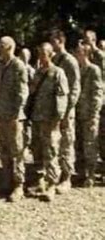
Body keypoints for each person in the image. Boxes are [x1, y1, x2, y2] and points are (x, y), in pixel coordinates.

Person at [27, 43, 69, 202]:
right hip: (37, 118)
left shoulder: (58, 72)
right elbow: (31, 94)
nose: (41, 56)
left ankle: (52, 184)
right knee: (37, 151)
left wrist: (57, 119)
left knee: (51, 152)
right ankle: (40, 181)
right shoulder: (38, 72)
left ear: (51, 54)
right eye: (39, 53)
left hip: (49, 120)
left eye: (44, 53)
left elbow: (62, 97)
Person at [0, 36, 29, 202]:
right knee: (5, 150)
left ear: (9, 47)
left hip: (13, 117)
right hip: (2, 114)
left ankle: (18, 185)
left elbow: (22, 93)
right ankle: (7, 181)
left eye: (1, 45)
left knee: (17, 151)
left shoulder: (18, 66)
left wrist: (16, 114)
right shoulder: (1, 66)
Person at [49, 29, 81, 194]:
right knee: (55, 143)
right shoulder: (53, 59)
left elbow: (75, 88)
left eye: (53, 40)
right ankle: (54, 175)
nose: (51, 43)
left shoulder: (69, 61)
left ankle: (67, 178)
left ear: (61, 41)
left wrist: (66, 110)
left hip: (66, 111)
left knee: (67, 143)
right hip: (53, 110)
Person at [75, 43, 103, 187]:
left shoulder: (94, 70)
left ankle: (91, 174)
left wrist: (94, 113)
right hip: (78, 113)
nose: (76, 54)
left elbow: (98, 93)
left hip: (89, 114)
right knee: (79, 144)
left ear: (85, 53)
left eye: (79, 51)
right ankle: (81, 172)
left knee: (90, 144)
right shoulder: (77, 70)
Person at [82, 29, 105, 179]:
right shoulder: (87, 54)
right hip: (90, 100)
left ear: (94, 40)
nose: (85, 41)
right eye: (84, 39)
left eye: (88, 39)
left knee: (100, 135)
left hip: (101, 101)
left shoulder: (100, 56)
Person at [19, 48, 35, 154]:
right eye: (22, 55)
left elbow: (34, 85)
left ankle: (27, 145)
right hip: (20, 102)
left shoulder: (30, 70)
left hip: (29, 101)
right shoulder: (17, 68)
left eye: (26, 55)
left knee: (28, 125)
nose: (24, 57)